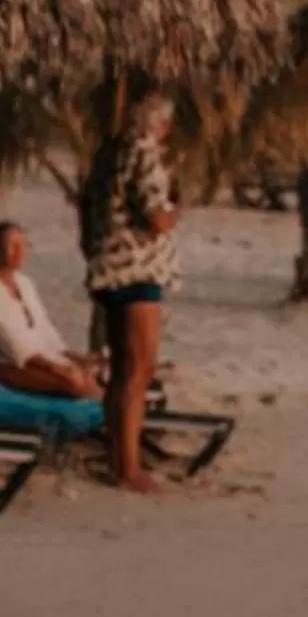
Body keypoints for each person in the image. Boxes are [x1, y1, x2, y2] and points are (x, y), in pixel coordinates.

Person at [78, 83, 179, 493]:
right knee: (139, 369)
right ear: (161, 124)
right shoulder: (143, 153)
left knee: (122, 370)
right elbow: (155, 217)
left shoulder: (108, 153)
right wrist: (175, 211)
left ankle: (118, 459)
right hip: (136, 268)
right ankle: (129, 468)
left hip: (106, 267)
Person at [0, 222, 105, 399]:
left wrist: (75, 358)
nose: (20, 252)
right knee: (74, 380)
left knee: (90, 370)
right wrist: (56, 367)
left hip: (32, 360)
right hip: (2, 364)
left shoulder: (24, 283)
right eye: (13, 246)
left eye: (23, 245)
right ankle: (107, 407)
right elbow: (13, 346)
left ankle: (110, 403)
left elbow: (44, 329)